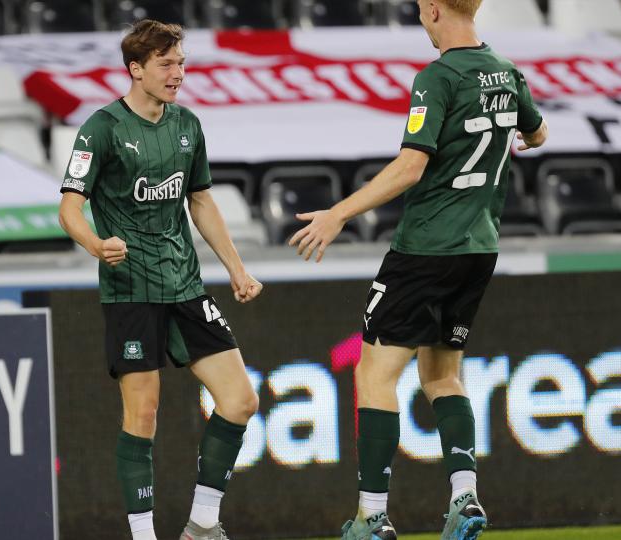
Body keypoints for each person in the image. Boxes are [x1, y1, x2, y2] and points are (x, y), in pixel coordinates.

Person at [288, 1, 548, 539]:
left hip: (426, 247)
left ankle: (372, 516)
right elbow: (538, 134)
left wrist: (338, 213)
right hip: (479, 248)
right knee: (443, 375)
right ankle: (464, 498)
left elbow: (411, 165)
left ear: (433, 10)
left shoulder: (437, 77)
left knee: (373, 375)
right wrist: (517, 138)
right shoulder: (507, 71)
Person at [57, 19, 263, 540]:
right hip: (131, 291)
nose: (178, 73)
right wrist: (95, 244)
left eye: (181, 62)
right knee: (143, 413)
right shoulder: (101, 129)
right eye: (166, 64)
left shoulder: (188, 125)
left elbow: (200, 201)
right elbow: (69, 209)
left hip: (186, 287)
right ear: (136, 69)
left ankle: (202, 523)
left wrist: (236, 267)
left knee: (241, 399)